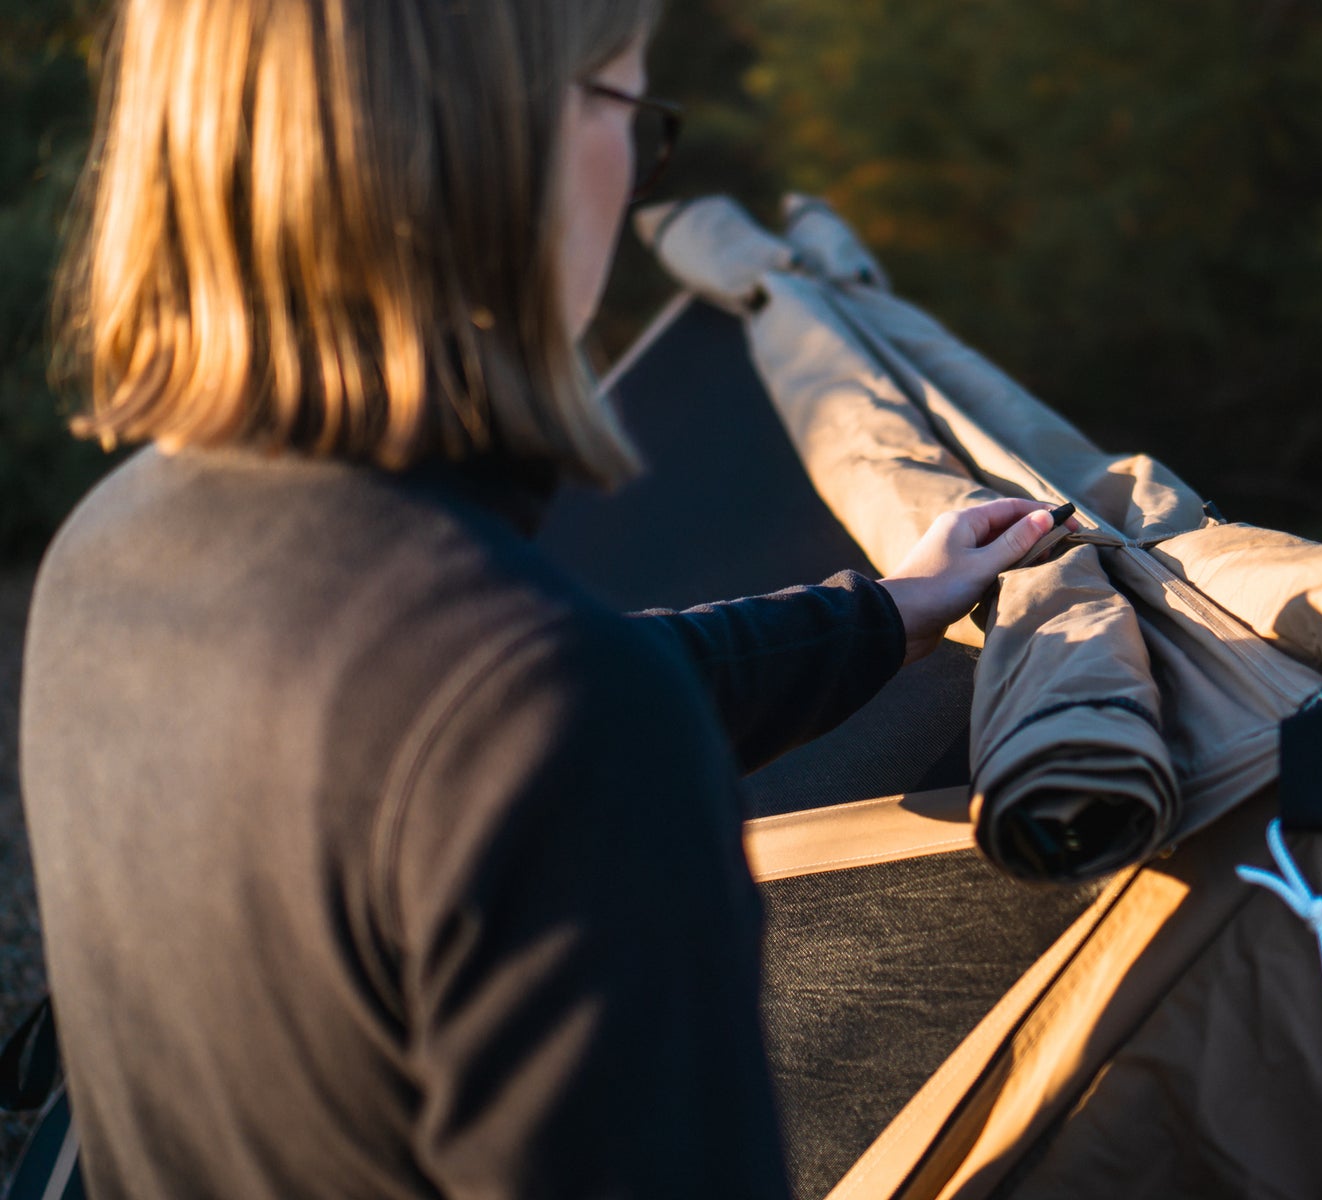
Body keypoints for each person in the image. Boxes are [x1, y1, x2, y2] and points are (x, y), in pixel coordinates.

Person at [18, 1, 1059, 1196]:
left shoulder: (109, 552)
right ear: (492, 151)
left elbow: (459, 721)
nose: (634, 171)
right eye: (626, 106)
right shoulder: (547, 720)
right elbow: (527, 726)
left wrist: (883, 613)